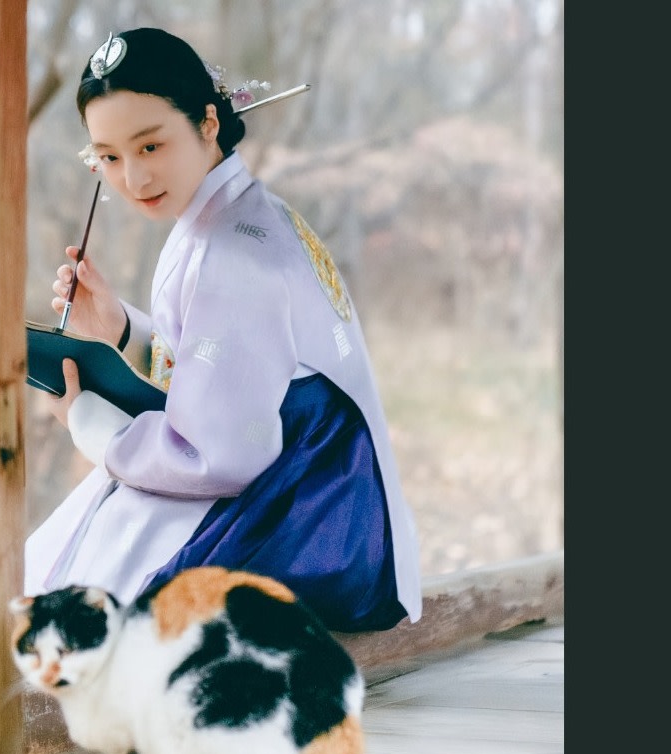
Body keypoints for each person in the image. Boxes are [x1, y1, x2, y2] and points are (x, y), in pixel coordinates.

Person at [24, 27, 421, 632]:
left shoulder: (233, 251)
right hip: (321, 490)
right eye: (109, 157)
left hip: (310, 515)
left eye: (151, 146)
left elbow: (216, 456)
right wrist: (121, 328)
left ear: (208, 123)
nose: (133, 177)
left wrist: (91, 425)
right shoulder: (238, 213)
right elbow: (225, 371)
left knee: (87, 593)